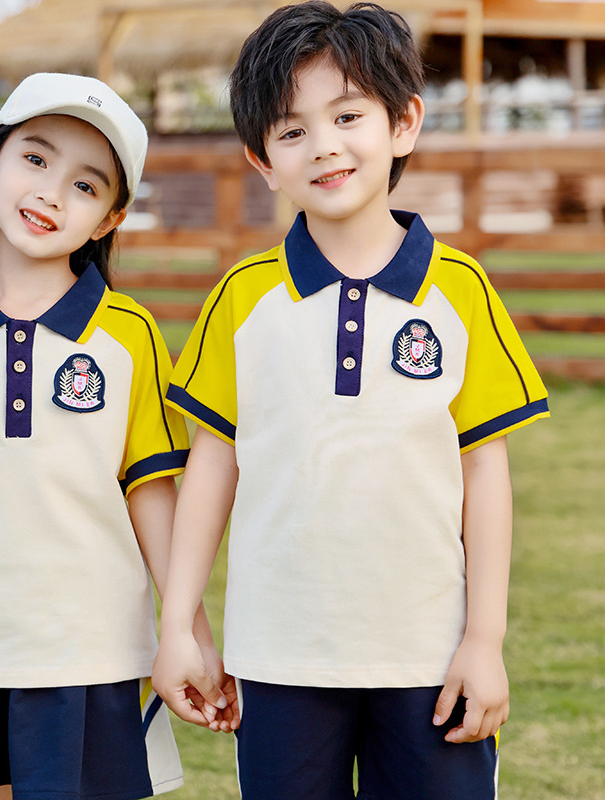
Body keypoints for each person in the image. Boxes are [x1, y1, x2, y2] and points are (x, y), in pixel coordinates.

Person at [152, 3, 550, 799]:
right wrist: (176, 625)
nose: (324, 145)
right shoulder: (244, 295)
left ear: (403, 124)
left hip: (429, 657)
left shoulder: (460, 291)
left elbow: (485, 477)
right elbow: (213, 462)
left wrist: (485, 639)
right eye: (292, 130)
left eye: (347, 115)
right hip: (280, 657)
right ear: (262, 159)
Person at [0, 72, 222, 800]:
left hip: (91, 652)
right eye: (35, 159)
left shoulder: (130, 336)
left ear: (111, 220)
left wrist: (190, 631)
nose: (52, 193)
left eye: (86, 186)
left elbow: (153, 493)